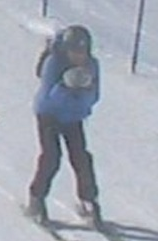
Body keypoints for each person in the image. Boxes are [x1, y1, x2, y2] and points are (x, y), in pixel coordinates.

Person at [26, 24, 103, 226]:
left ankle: (88, 200)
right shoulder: (54, 63)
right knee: (51, 157)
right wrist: (66, 87)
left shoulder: (92, 66)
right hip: (48, 115)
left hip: (73, 117)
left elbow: (94, 97)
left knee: (81, 158)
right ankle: (36, 197)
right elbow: (49, 97)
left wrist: (84, 90)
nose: (79, 56)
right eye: (74, 52)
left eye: (82, 52)